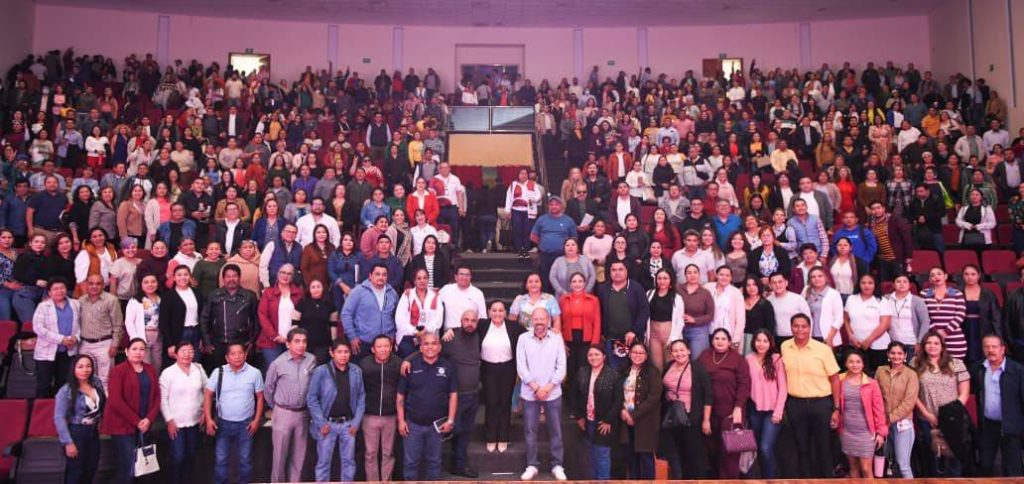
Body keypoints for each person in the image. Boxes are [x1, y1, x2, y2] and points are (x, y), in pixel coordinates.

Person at [780, 313, 841, 478]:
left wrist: (836, 408)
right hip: (795, 404)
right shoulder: (785, 347)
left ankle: (827, 480)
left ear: (810, 328)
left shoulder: (823, 349)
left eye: (804, 326)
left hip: (821, 404)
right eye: (796, 326)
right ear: (791, 328)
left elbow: (835, 379)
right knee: (802, 447)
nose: (800, 330)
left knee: (824, 447)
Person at [397, 332, 458, 481]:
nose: (430, 347)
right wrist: (401, 421)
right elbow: (400, 397)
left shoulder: (448, 367)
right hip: (413, 425)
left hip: (437, 426)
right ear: (421, 348)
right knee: (411, 463)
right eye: (426, 344)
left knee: (434, 462)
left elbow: (453, 395)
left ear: (439, 347)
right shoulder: (410, 367)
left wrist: (450, 421)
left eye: (434, 343)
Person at [517, 308, 568, 481]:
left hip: (552, 393)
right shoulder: (523, 338)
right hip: (530, 393)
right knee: (530, 431)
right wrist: (536, 388)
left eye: (542, 318)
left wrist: (547, 388)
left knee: (556, 430)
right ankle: (532, 465)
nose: (539, 322)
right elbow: (521, 366)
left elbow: (561, 366)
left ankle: (557, 465)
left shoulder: (557, 338)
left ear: (548, 320)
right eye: (536, 318)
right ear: (531, 320)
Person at [204, 342, 265, 484]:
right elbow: (207, 395)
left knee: (245, 459)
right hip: (222, 424)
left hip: (246, 424)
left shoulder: (254, 373)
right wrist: (208, 419)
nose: (237, 356)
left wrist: (256, 420)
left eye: (240, 353)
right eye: (233, 354)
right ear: (227, 357)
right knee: (221, 459)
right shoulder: (218, 372)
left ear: (245, 355)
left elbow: (260, 398)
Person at [913, 330, 971, 477]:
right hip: (927, 418)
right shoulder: (915, 363)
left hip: (952, 418)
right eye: (928, 343)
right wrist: (927, 414)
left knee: (954, 456)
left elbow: (964, 391)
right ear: (923, 346)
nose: (932, 346)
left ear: (942, 346)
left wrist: (952, 412)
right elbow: (912, 393)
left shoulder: (955, 363)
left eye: (936, 343)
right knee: (933, 456)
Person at [308, 337, 365, 482]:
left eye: (346, 352)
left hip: (348, 424)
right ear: (331, 353)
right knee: (323, 462)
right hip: (327, 424)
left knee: (349, 462)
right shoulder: (321, 371)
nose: (343, 355)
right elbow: (312, 398)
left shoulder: (356, 371)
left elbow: (361, 397)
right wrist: (321, 423)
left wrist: (356, 423)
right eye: (339, 352)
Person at [264, 327, 316, 482]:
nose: (301, 345)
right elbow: (268, 389)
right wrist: (276, 408)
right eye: (297, 341)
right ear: (288, 344)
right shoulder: (278, 363)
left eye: (304, 341)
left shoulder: (311, 360)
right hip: (283, 412)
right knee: (280, 456)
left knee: (299, 457)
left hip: (303, 413)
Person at [698, 329, 751, 478]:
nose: (720, 341)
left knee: (731, 451)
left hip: (732, 411)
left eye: (723, 339)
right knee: (712, 449)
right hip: (709, 411)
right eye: (716, 338)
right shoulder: (704, 356)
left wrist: (738, 407)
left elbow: (744, 385)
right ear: (712, 340)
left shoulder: (738, 359)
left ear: (729, 342)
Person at [107, 338, 161, 484]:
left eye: (142, 349)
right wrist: (137, 421)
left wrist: (149, 419)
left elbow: (157, 396)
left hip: (144, 426)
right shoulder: (118, 371)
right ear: (126, 351)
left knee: (141, 469)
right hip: (122, 426)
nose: (138, 352)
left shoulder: (149, 369)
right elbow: (116, 401)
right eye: (134, 349)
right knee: (127, 468)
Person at [972, 334, 1024, 477]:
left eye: (994, 347)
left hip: (1011, 426)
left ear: (1002, 349)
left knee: (1013, 468)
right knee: (985, 465)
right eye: (987, 347)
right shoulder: (978, 369)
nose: (990, 350)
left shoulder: (1018, 370)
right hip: (987, 425)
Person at [479, 301, 525, 453]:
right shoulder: (482, 325)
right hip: (488, 369)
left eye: (500, 310)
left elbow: (529, 335)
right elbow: (466, 327)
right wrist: (450, 331)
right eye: (494, 310)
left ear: (505, 312)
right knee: (491, 402)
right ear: (489, 312)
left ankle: (504, 437)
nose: (497, 313)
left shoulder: (514, 327)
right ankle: (491, 437)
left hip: (508, 368)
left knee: (505, 403)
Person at [158, 341, 207, 484]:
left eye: (191, 351)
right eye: (183, 351)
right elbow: (162, 399)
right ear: (176, 354)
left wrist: (205, 411)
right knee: (178, 457)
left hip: (195, 421)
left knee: (191, 455)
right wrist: (169, 420)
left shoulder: (198, 368)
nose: (187, 354)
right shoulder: (168, 373)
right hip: (176, 423)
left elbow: (207, 390)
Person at [663, 338, 712, 479]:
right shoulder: (668, 366)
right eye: (675, 351)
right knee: (679, 454)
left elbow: (708, 394)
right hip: (672, 417)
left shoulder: (697, 368)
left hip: (691, 417)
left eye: (682, 350)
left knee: (695, 456)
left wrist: (706, 420)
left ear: (689, 351)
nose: (679, 353)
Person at [837, 349, 888, 478]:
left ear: (863, 364)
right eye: (851, 362)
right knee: (853, 467)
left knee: (866, 468)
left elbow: (879, 409)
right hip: (847, 431)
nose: (855, 365)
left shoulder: (871, 383)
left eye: (858, 362)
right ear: (846, 363)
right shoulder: (839, 380)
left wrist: (881, 433)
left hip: (866, 432)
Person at [573, 344, 621, 480]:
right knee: (591, 455)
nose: (593, 357)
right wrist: (579, 417)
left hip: (604, 422)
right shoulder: (582, 372)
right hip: (587, 421)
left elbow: (618, 400)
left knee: (602, 455)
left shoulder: (613, 374)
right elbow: (573, 396)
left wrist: (608, 420)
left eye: (597, 354)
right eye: (590, 355)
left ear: (604, 357)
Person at [55, 354, 105, 484]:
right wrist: (68, 442)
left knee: (91, 469)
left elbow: (102, 405)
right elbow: (59, 418)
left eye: (88, 366)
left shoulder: (96, 382)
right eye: (80, 367)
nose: (85, 370)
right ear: (73, 368)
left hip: (93, 432)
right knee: (76, 472)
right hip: (76, 432)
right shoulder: (65, 391)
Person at [359, 335, 402, 481]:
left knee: (388, 453)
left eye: (386, 346)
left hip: (391, 416)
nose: (383, 349)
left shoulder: (398, 363)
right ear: (373, 349)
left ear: (391, 348)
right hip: (369, 416)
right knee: (370, 453)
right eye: (379, 346)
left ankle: (386, 481)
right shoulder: (364, 365)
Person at [746, 329, 787, 478]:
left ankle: (770, 479)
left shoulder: (776, 359)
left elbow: (783, 388)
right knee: (759, 449)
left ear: (770, 343)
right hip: (754, 411)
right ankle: (764, 477)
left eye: (765, 341)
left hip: (772, 411)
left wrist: (778, 411)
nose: (761, 344)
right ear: (754, 342)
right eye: (758, 340)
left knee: (765, 447)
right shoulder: (748, 359)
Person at [875, 341, 920, 478]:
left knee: (903, 465)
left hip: (902, 424)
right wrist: (881, 420)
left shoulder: (911, 375)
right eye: (893, 353)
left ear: (905, 355)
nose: (896, 356)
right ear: (888, 354)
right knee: (886, 464)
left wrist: (890, 419)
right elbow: (876, 397)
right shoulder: (880, 371)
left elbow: (909, 403)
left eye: (900, 353)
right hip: (882, 423)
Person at [202, 263, 259, 368]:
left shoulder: (249, 296)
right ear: (223, 279)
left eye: (234, 276)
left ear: (239, 278)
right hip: (218, 344)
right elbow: (205, 319)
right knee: (220, 374)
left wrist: (252, 341)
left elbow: (256, 320)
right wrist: (207, 342)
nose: (231, 279)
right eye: (228, 276)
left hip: (242, 344)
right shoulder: (214, 295)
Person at [619, 341, 663, 479]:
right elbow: (616, 394)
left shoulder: (653, 372)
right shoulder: (623, 371)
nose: (637, 355)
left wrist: (634, 415)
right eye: (634, 352)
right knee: (631, 458)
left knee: (646, 457)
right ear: (629, 354)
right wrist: (622, 411)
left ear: (646, 355)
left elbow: (654, 397)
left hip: (645, 421)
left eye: (641, 353)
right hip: (625, 420)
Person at [34, 277, 82, 397]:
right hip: (46, 353)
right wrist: (61, 339)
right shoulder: (43, 306)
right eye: (55, 289)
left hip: (68, 351)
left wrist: (76, 338)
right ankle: (42, 409)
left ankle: (61, 408)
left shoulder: (75, 304)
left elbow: (81, 325)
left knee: (64, 385)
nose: (59, 291)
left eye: (62, 288)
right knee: (43, 385)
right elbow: (38, 328)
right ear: (49, 292)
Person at [341, 262, 399, 358]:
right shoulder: (358, 291)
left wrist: (392, 334)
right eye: (377, 274)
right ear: (370, 275)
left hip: (385, 345)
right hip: (363, 343)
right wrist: (352, 337)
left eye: (384, 275)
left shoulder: (392, 293)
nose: (381, 277)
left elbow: (396, 317)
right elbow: (346, 314)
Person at [257, 264, 304, 371]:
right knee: (274, 371)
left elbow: (303, 316)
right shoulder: (268, 292)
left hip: (293, 341)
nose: (285, 276)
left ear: (292, 277)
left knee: (291, 372)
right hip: (271, 341)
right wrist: (274, 336)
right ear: (278, 274)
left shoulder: (298, 293)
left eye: (289, 274)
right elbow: (262, 315)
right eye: (283, 272)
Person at [844, 274, 893, 373]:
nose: (866, 286)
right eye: (863, 283)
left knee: (877, 375)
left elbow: (885, 324)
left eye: (870, 283)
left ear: (875, 285)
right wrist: (851, 336)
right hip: (856, 345)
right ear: (859, 284)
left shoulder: (882, 301)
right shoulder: (851, 299)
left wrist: (869, 340)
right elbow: (846, 319)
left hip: (878, 346)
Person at [530, 196, 578, 290]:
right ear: (548, 206)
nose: (554, 206)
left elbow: (574, 238)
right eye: (551, 204)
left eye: (556, 204)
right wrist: (543, 244)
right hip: (545, 255)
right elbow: (533, 236)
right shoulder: (542, 219)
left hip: (562, 256)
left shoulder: (569, 220)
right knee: (544, 280)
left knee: (561, 279)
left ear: (561, 206)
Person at [922, 266, 968, 360]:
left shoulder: (957, 294)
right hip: (932, 340)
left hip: (954, 339)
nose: (936, 277)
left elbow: (960, 314)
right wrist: (936, 332)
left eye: (939, 274)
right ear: (930, 279)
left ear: (945, 276)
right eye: (933, 275)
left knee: (955, 367)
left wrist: (946, 331)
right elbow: (923, 315)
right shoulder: (924, 294)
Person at [395, 268, 444, 357]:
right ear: (414, 281)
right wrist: (414, 331)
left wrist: (427, 329)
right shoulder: (407, 295)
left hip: (429, 336)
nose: (422, 281)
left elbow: (438, 318)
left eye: (425, 278)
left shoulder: (435, 296)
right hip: (409, 335)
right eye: (419, 278)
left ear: (428, 280)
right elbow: (399, 318)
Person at [962, 264, 1005, 366]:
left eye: (973, 274)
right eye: (966, 274)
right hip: (964, 329)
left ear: (979, 275)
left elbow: (996, 317)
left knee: (983, 359)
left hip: (984, 329)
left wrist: (999, 337)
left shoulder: (988, 293)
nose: (970, 277)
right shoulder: (958, 293)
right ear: (963, 276)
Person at [884, 274, 931, 362]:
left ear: (909, 285)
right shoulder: (886, 299)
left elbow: (925, 322)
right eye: (898, 281)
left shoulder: (917, 301)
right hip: (892, 344)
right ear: (893, 285)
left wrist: (920, 342)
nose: (902, 284)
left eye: (905, 282)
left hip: (912, 344)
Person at [677, 264, 714, 359]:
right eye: (689, 273)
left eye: (695, 272)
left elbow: (710, 315)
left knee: (697, 360)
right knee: (680, 359)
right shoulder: (678, 289)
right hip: (679, 329)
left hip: (698, 331)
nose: (692, 275)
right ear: (685, 275)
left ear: (699, 274)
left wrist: (695, 320)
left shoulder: (705, 293)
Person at [803, 266, 844, 350]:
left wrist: (830, 337)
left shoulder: (833, 294)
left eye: (820, 276)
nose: (816, 279)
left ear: (826, 278)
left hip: (827, 337)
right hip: (809, 336)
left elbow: (839, 319)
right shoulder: (806, 291)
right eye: (813, 277)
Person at [506, 167, 542, 258]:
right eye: (521, 173)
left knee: (527, 230)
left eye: (525, 174)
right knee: (517, 229)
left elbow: (539, 195)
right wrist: (508, 210)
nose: (523, 175)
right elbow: (509, 198)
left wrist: (533, 199)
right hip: (516, 210)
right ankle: (518, 249)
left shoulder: (532, 184)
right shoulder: (513, 185)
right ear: (518, 175)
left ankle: (526, 249)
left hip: (528, 210)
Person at [437, 265, 487, 331]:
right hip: (449, 333)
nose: (464, 277)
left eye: (467, 275)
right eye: (461, 274)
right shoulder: (446, 289)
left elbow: (482, 317)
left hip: (469, 331)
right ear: (456, 277)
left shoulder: (478, 293)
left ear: (471, 277)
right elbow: (434, 305)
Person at [707, 266, 745, 348]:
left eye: (727, 275)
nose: (724, 277)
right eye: (721, 274)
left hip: (728, 335)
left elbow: (741, 320)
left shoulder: (736, 293)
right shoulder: (708, 288)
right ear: (716, 275)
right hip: (709, 332)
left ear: (731, 278)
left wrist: (736, 340)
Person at [955, 187, 997, 252]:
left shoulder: (987, 208)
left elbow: (992, 223)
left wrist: (979, 226)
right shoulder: (964, 208)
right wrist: (967, 225)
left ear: (981, 197)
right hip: (966, 236)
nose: (974, 196)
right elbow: (958, 221)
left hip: (983, 238)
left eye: (977, 195)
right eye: (972, 194)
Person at [744, 277, 778, 354]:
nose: (751, 288)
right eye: (748, 285)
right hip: (741, 338)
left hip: (758, 341)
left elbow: (770, 327)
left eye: (754, 284)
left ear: (758, 286)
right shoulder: (740, 301)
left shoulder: (765, 304)